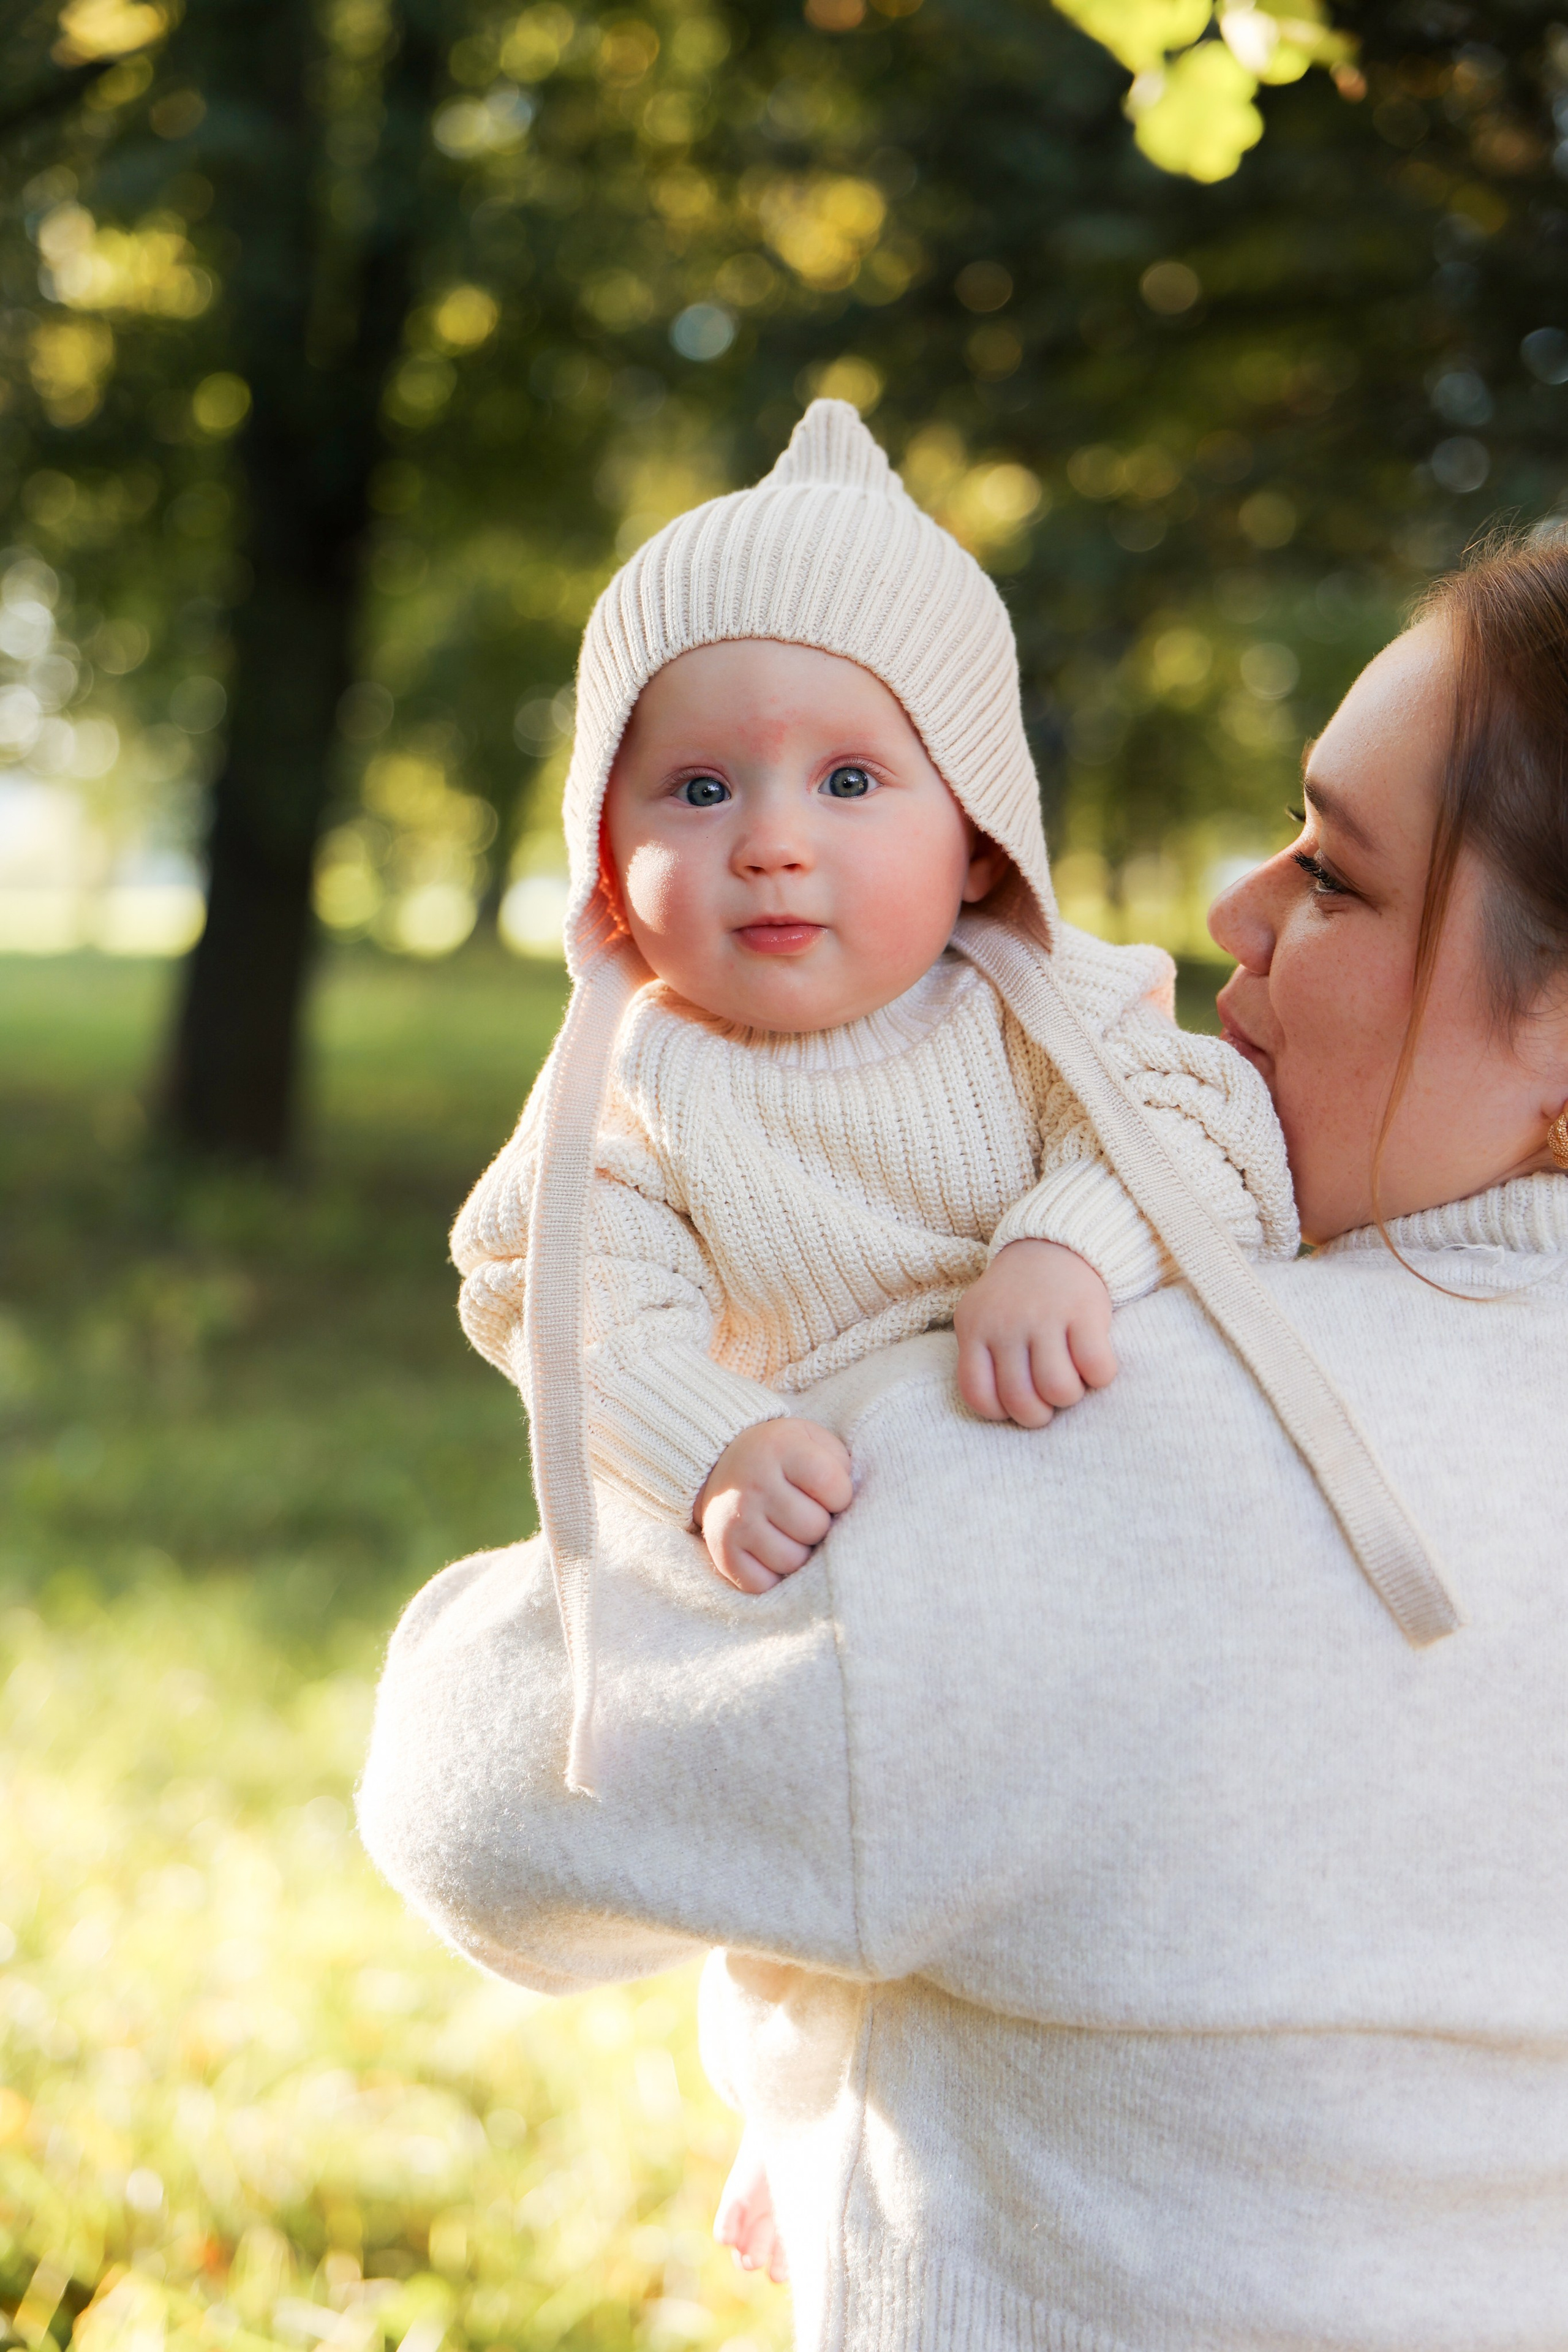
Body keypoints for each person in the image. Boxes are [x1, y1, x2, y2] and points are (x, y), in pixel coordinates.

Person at [361, 537, 1568, 2349]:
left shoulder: (1077, 1460)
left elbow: (476, 1793)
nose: (1236, 909)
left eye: (1334, 873)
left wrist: (779, 1441)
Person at [450, 398, 1293, 1751]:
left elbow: (1216, 1132)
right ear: (605, 850)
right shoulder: (634, 1086)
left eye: (848, 780)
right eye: (699, 790)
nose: (773, 841)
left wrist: (1067, 1248)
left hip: (1126, 1561)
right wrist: (713, 1443)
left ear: (974, 837)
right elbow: (562, 1294)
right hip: (850, 1591)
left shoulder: (1049, 1006)